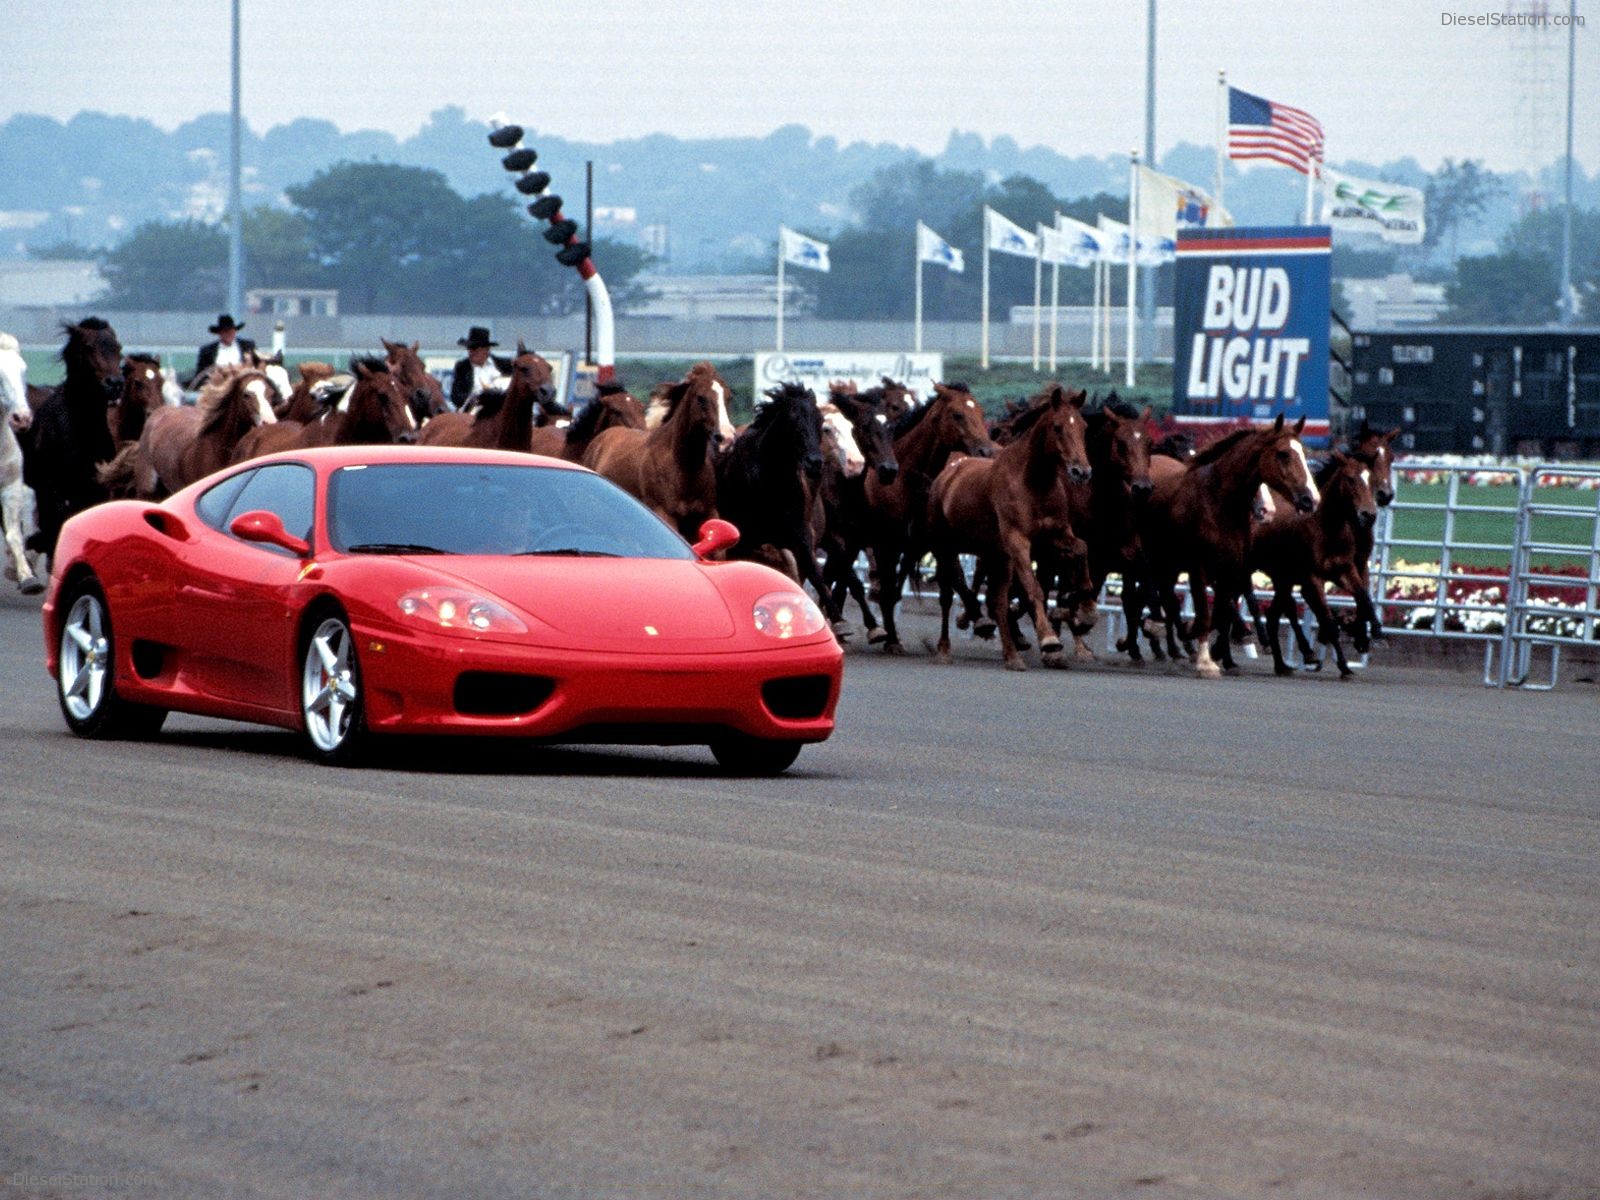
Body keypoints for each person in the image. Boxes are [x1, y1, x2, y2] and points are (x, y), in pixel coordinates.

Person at [449, 327, 513, 410]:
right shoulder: (462, 367)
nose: (471, 352)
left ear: (486, 349)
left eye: (474, 348)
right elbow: (456, 396)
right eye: (469, 348)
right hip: (473, 411)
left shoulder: (505, 365)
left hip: (502, 410)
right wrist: (475, 399)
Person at [191, 315, 256, 384]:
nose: (228, 334)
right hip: (217, 386)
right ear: (219, 333)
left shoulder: (247, 346)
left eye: (230, 331)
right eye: (225, 331)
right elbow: (201, 375)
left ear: (235, 331)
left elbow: (256, 367)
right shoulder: (207, 351)